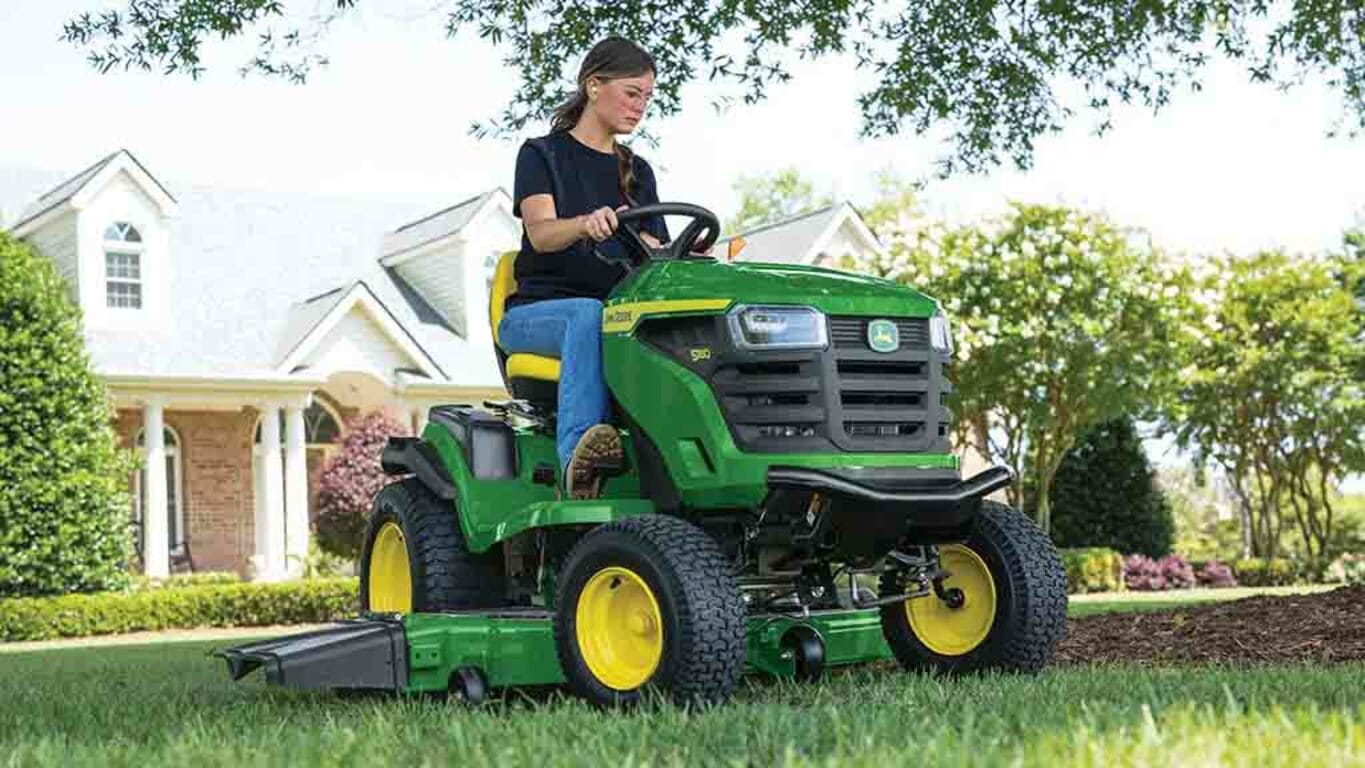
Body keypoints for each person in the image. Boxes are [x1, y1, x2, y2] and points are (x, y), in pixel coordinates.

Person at [500, 36, 669, 499]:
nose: (640, 107)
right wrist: (583, 225)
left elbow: (657, 251)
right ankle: (577, 460)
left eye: (648, 98)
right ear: (594, 86)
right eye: (632, 93)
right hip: (538, 315)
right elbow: (541, 233)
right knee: (587, 314)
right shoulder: (541, 155)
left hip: (615, 316)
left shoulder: (639, 171)